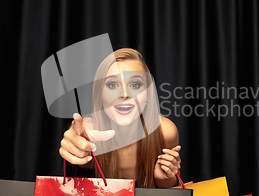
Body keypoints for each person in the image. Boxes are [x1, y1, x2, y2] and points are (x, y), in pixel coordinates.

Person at [59, 48, 181, 188]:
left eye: (135, 85)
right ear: (101, 95)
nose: (124, 94)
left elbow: (172, 194)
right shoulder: (89, 130)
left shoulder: (165, 131)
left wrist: (163, 179)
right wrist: (74, 145)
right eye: (112, 85)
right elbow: (77, 136)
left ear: (147, 94)